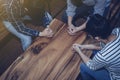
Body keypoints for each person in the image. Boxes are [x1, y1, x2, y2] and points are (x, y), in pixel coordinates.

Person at [72, 14, 120, 80]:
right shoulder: (117, 30)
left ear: (97, 38)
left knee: (83, 67)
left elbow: (91, 65)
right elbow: (103, 47)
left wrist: (79, 51)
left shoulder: (103, 55)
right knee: (94, 51)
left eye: (89, 35)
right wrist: (83, 46)